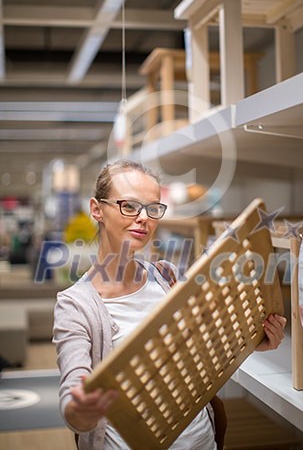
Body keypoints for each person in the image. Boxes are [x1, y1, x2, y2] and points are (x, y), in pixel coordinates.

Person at [53, 160, 287, 450]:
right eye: (129, 206)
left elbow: (200, 352)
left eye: (152, 208)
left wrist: (251, 340)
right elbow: (73, 394)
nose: (144, 218)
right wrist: (81, 410)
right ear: (97, 209)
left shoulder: (166, 276)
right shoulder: (75, 304)